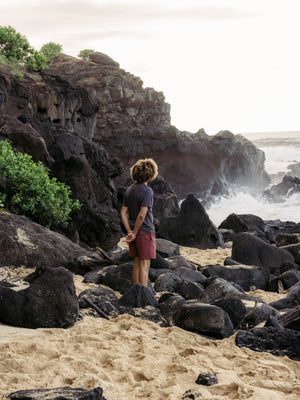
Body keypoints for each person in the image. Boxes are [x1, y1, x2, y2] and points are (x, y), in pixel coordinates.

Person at [121, 158, 158, 286]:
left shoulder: (129, 190)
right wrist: (135, 233)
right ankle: (143, 293)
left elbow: (123, 212)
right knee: (145, 264)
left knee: (137, 262)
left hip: (134, 230)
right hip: (145, 231)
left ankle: (136, 290)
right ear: (151, 173)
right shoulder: (148, 191)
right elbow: (142, 215)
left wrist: (129, 231)